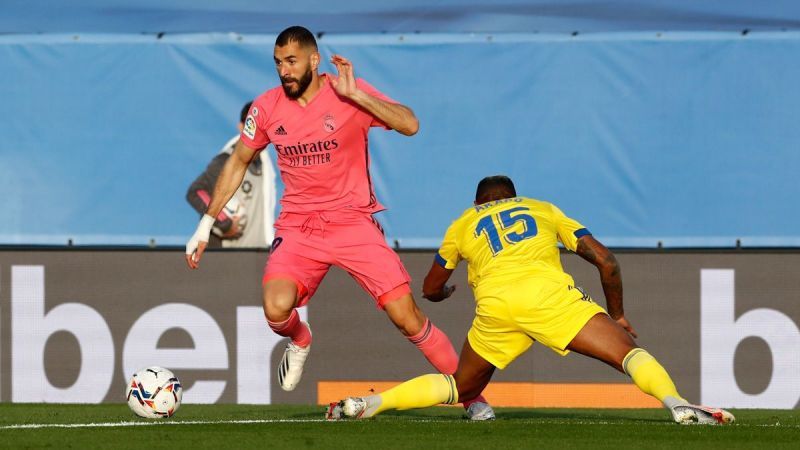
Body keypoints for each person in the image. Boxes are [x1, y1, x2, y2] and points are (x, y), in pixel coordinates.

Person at [185, 25, 493, 420]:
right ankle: (300, 339)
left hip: (353, 223)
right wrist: (204, 225)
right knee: (276, 307)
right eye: (278, 63)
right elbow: (239, 161)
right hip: (298, 228)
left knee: (407, 317)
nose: (284, 71)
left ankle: (471, 397)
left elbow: (410, 124)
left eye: (292, 61)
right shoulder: (265, 108)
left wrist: (358, 96)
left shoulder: (348, 91)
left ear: (314, 60)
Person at [328, 175, 735, 425]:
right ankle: (679, 405)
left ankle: (368, 403)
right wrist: (619, 315)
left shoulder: (463, 223)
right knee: (628, 354)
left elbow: (430, 287)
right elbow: (606, 261)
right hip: (549, 298)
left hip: (497, 307)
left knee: (461, 386)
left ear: (478, 204)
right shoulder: (541, 209)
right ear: (515, 197)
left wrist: (445, 292)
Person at [186, 101, 277, 248]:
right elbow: (196, 192)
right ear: (241, 127)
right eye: (252, 127)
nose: (258, 134)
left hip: (259, 253)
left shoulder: (266, 163)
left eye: (263, 128)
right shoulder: (225, 161)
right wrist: (224, 223)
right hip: (232, 255)